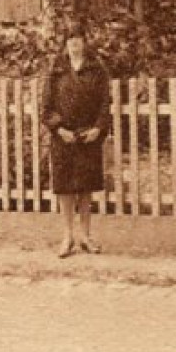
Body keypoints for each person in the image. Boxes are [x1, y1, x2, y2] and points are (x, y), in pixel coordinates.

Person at [38, 26, 111, 258]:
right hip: (64, 138)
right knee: (65, 188)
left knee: (86, 189)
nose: (74, 45)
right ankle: (68, 237)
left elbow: (104, 105)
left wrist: (98, 128)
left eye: (78, 40)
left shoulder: (96, 70)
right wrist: (59, 129)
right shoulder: (56, 70)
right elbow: (46, 108)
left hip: (88, 136)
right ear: (65, 45)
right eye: (70, 41)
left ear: (84, 43)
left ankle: (86, 237)